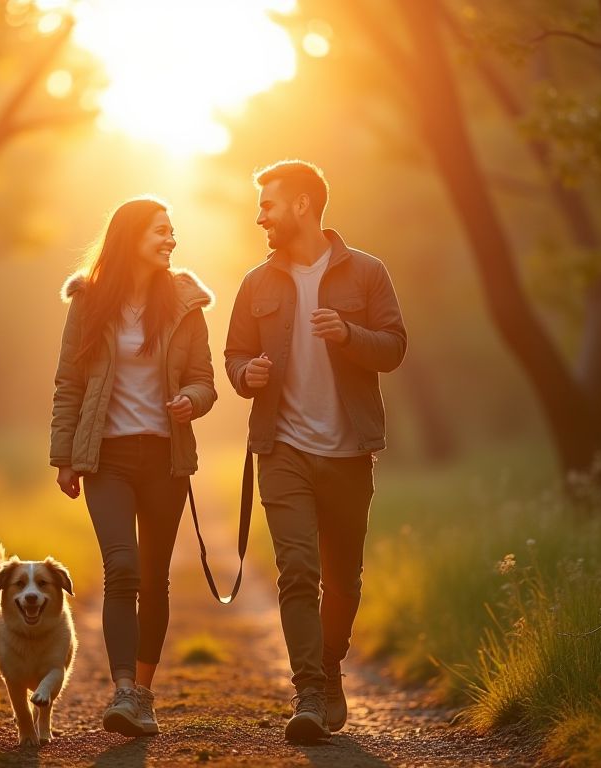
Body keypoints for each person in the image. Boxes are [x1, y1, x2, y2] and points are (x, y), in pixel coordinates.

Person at [224, 160, 407, 743]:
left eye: (268, 205)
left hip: (349, 451)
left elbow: (394, 348)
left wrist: (348, 335)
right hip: (282, 448)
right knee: (298, 571)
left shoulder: (367, 272)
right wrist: (246, 374)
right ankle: (307, 694)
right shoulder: (256, 283)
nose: (261, 217)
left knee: (343, 580)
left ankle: (329, 667)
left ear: (302, 204)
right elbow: (233, 356)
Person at [50, 197, 217, 737]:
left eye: (172, 231)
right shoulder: (89, 302)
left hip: (166, 460)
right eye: (159, 231)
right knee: (122, 568)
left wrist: (191, 400)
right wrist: (63, 456)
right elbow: (69, 383)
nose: (170, 240)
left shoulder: (185, 304)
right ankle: (123, 690)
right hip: (108, 458)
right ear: (130, 238)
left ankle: (143, 693)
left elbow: (204, 379)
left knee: (153, 576)